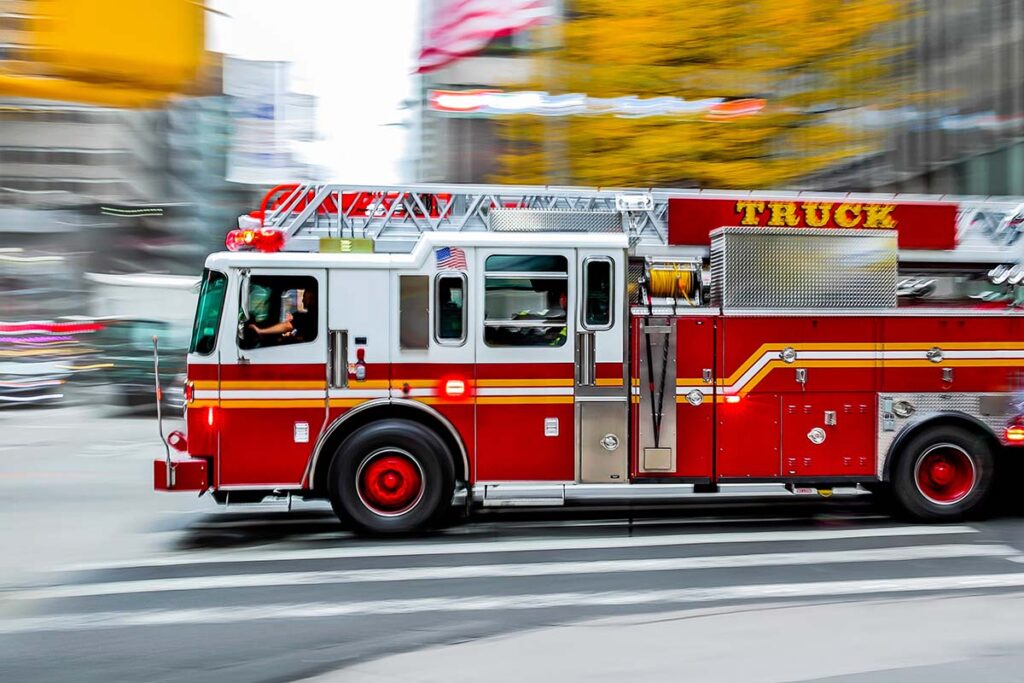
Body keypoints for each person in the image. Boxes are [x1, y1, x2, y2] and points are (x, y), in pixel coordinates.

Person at [250, 288, 317, 344]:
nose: (302, 300)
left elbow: (287, 326)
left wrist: (260, 331)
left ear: (312, 297)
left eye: (305, 296)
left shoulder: (308, 317)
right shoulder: (309, 316)